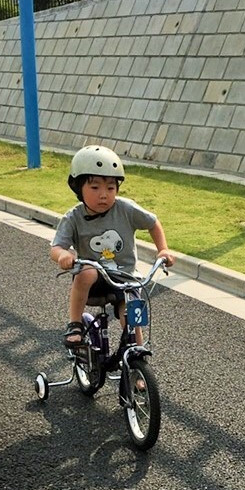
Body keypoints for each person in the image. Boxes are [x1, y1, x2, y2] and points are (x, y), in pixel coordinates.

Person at [51, 145, 175, 348]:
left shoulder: (126, 209)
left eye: (110, 188)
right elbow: (56, 247)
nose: (103, 194)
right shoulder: (73, 218)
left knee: (132, 316)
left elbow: (153, 223)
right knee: (88, 271)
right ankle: (75, 324)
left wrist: (163, 249)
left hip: (125, 277)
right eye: (95, 187)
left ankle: (137, 355)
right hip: (94, 281)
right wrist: (63, 255)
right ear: (78, 188)